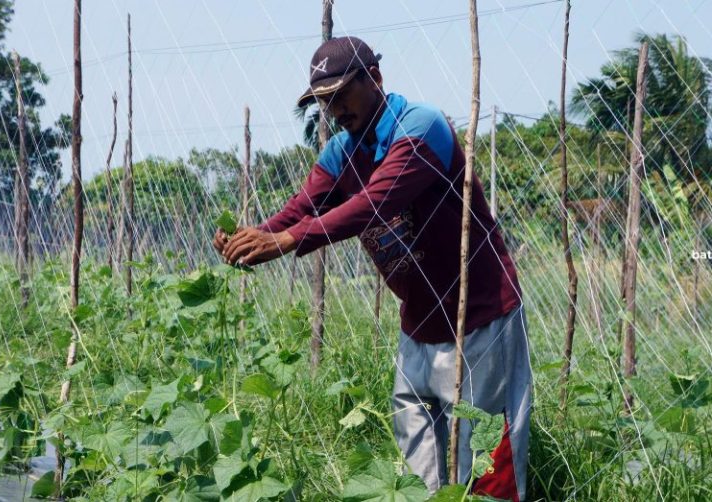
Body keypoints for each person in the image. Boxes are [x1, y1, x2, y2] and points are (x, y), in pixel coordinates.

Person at [213, 36, 532, 501]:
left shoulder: (421, 128)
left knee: (486, 467)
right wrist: (252, 237)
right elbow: (303, 207)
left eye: (342, 94)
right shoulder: (341, 153)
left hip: (480, 318)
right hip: (419, 325)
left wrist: (282, 242)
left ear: (376, 79)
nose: (335, 109)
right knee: (412, 472)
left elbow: (373, 205)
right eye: (325, 101)